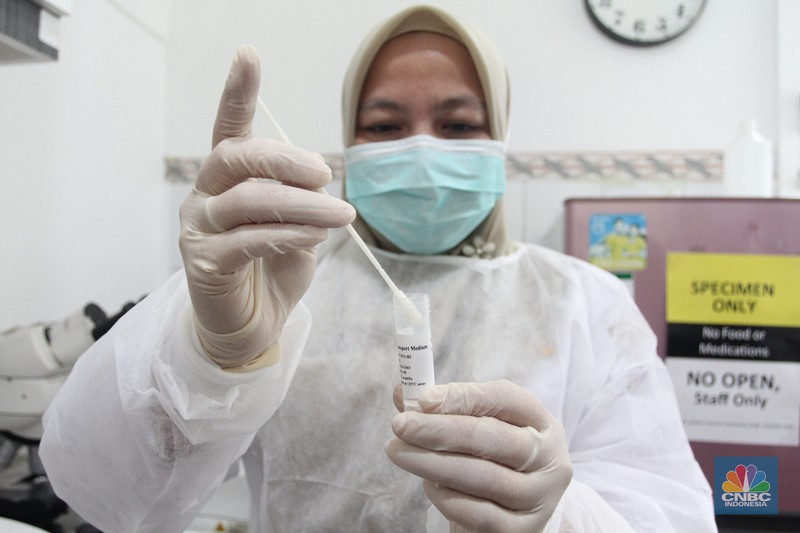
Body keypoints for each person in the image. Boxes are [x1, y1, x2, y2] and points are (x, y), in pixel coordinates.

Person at [40, 5, 716, 532]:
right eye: (385, 127)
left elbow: (668, 515)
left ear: (500, 140)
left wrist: (557, 513)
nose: (421, 149)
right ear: (349, 141)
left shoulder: (585, 306)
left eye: (457, 126)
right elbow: (105, 495)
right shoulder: (276, 285)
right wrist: (210, 357)